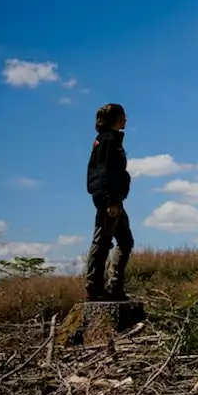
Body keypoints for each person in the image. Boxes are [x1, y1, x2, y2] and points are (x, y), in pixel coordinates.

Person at [84, 103, 134, 301]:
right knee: (103, 241)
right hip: (109, 199)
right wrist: (110, 201)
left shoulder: (110, 140)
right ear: (117, 118)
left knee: (125, 241)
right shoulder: (107, 140)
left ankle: (114, 288)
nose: (126, 119)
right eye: (124, 115)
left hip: (113, 199)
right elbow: (103, 173)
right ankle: (94, 288)